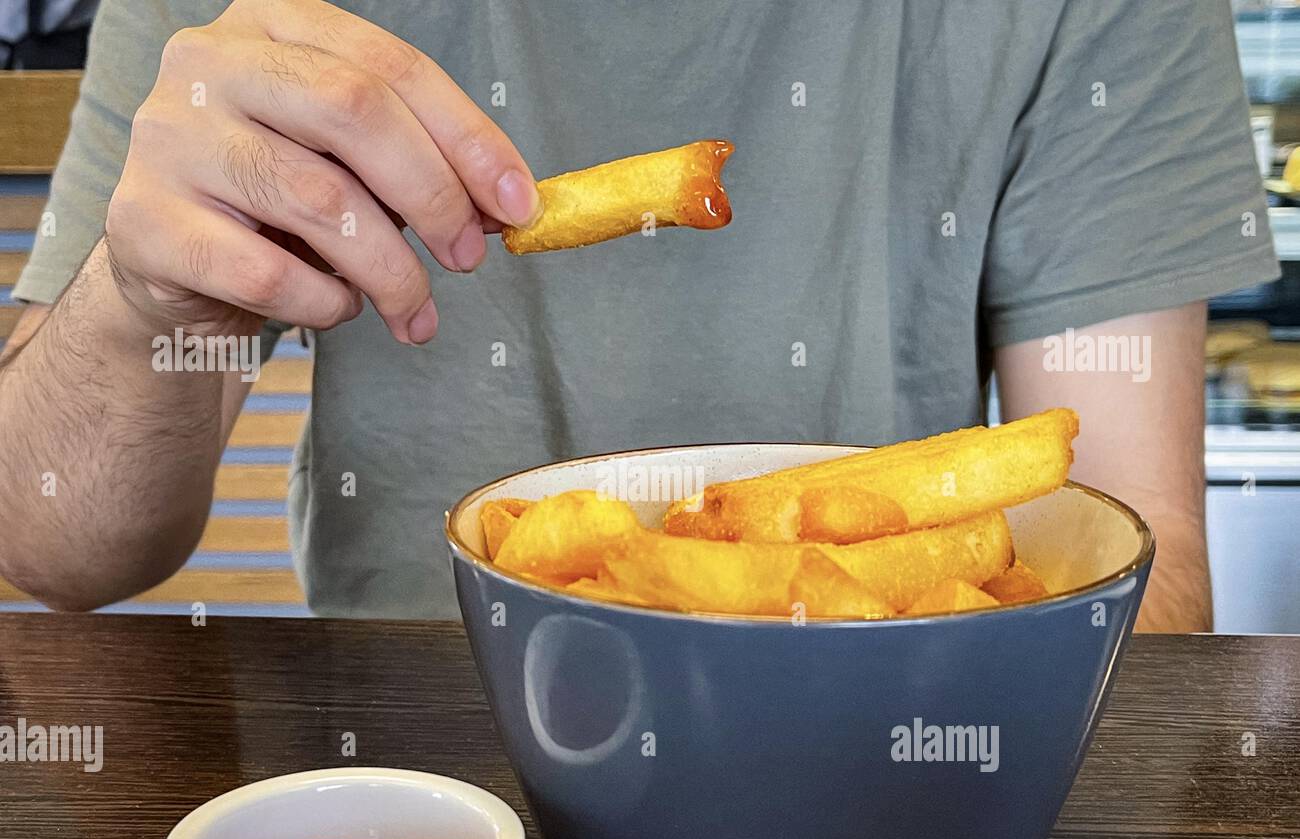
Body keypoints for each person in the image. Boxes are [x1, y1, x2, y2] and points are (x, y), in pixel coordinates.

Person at [0, 0, 1279, 630]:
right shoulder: (246, 23)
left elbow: (1129, 545)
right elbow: (52, 544)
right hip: (412, 804)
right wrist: (140, 301)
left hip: (909, 767)